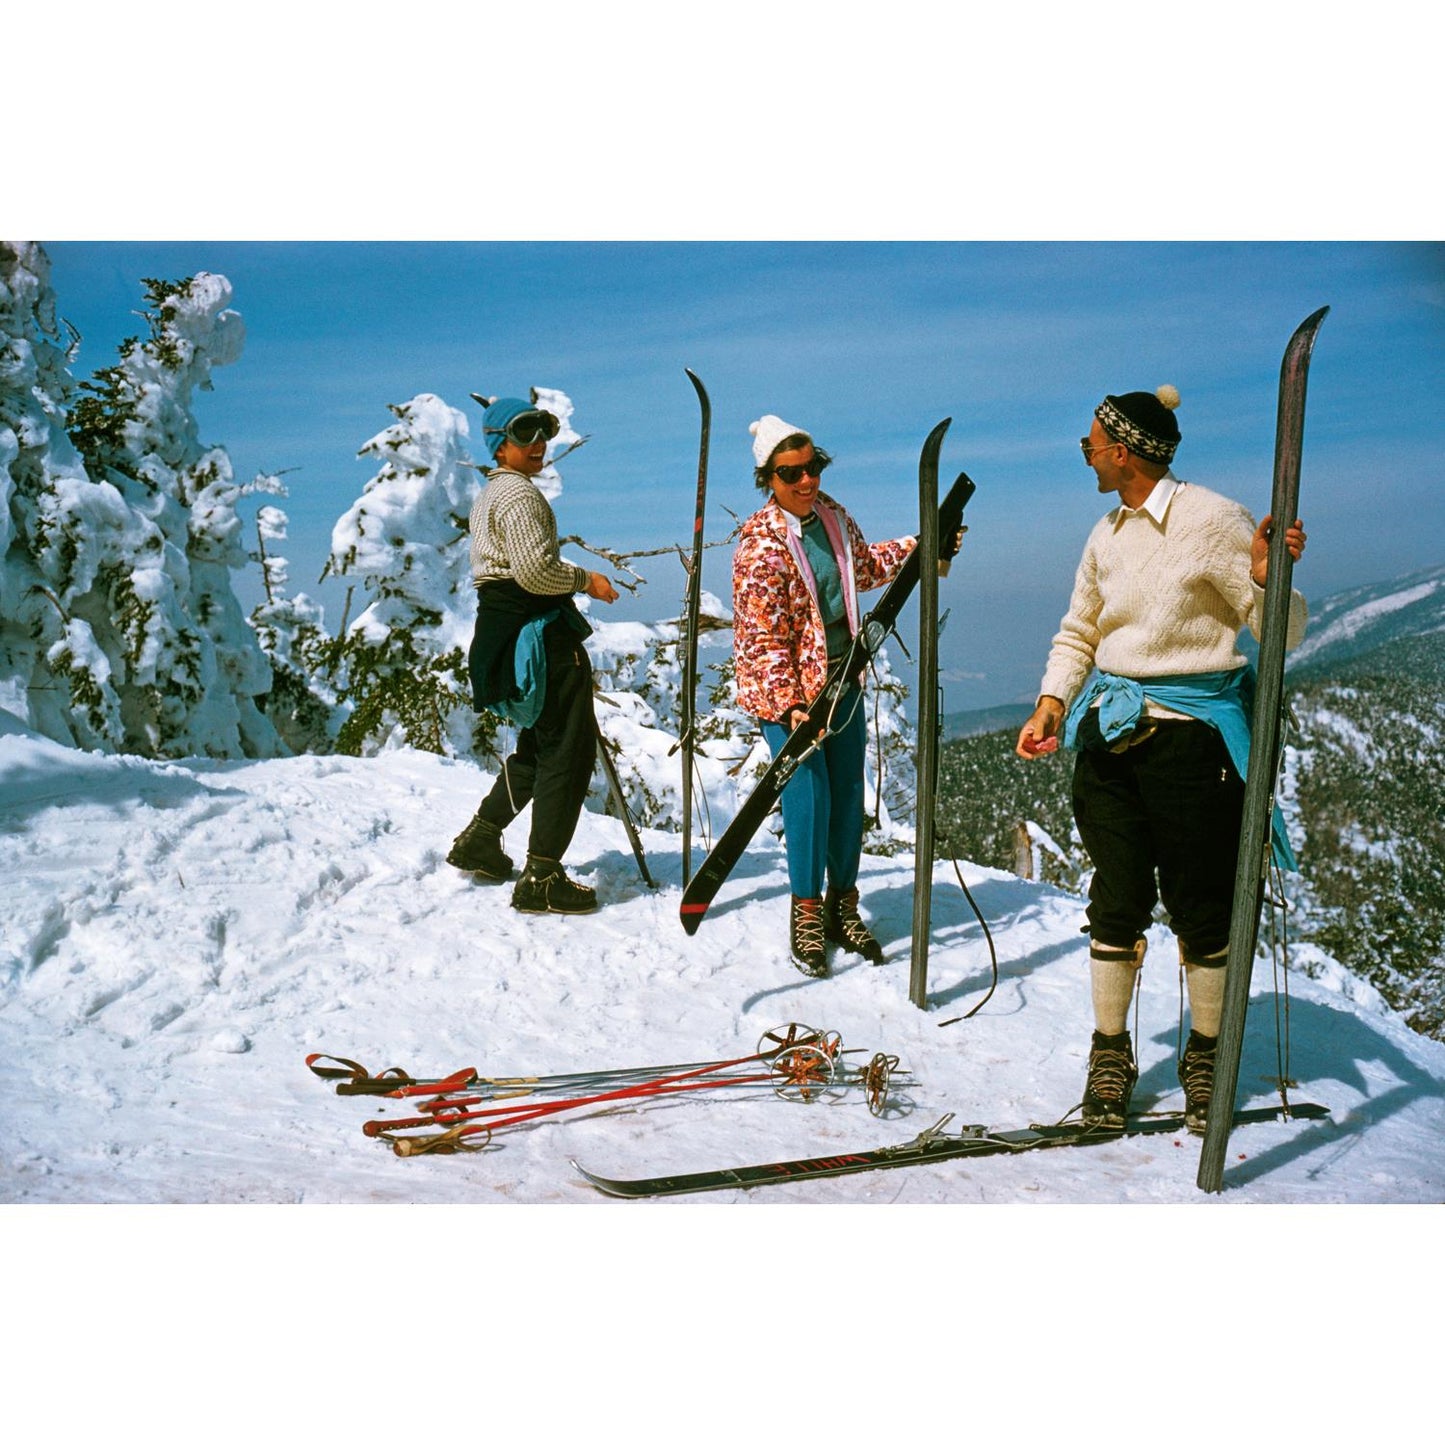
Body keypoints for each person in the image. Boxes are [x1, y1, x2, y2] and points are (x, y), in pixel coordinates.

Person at [1015, 385, 1308, 1132]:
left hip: (1190, 742)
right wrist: (1052, 702)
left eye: (1089, 447)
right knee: (1114, 900)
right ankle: (1109, 1051)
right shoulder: (1105, 534)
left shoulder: (1211, 520)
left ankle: (1203, 1055)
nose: (1085, 458)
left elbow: (1280, 631)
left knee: (1200, 908)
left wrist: (1272, 579)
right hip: (1108, 741)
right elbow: (1079, 630)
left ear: (1122, 450)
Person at [732, 414, 922, 977]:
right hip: (787, 690)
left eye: (813, 467)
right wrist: (791, 704)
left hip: (843, 675)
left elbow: (861, 568)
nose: (806, 480)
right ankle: (807, 911)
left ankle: (843, 903)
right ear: (769, 477)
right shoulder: (760, 544)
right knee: (807, 796)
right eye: (791, 472)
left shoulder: (833, 518)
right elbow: (762, 635)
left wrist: (921, 543)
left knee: (845, 794)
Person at [446, 395, 619, 914]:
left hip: (507, 635)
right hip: (540, 638)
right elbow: (535, 574)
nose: (539, 443)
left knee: (540, 747)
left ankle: (481, 837)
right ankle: (542, 876)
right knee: (567, 752)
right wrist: (588, 579)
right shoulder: (519, 497)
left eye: (543, 431)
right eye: (525, 433)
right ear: (501, 444)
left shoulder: (490, 496)